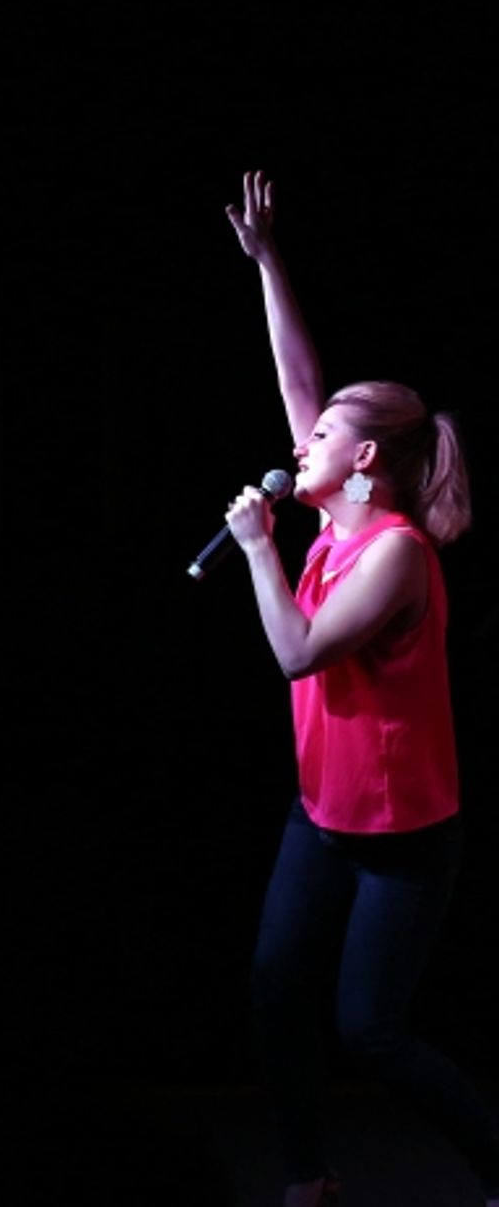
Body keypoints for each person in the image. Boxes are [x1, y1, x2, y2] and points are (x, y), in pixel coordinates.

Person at [221, 171, 499, 1207]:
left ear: (365, 458)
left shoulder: (392, 555)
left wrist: (253, 547)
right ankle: (307, 1178)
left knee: (368, 1032)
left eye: (324, 435)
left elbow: (296, 652)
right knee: (270, 987)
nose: (302, 443)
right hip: (323, 810)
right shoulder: (338, 514)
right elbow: (298, 376)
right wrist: (268, 263)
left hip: (399, 835)